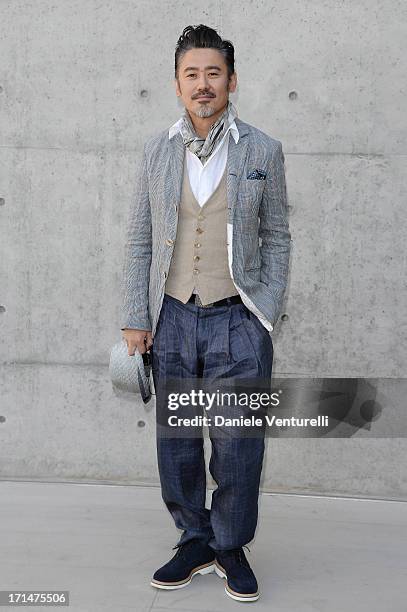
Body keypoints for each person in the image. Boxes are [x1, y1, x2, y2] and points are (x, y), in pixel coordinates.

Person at [120, 24, 291, 603]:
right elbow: (140, 240)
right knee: (178, 440)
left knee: (240, 443)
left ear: (231, 81)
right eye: (191, 74)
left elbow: (279, 236)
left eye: (213, 73)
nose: (203, 84)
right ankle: (194, 538)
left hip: (239, 319)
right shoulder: (156, 150)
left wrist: (265, 310)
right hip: (172, 317)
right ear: (177, 84)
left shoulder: (263, 150)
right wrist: (134, 315)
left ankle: (230, 543)